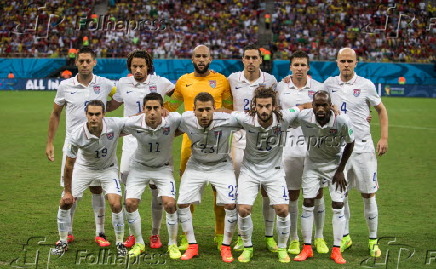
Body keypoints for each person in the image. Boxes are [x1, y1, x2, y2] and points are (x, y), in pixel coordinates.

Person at [166, 44, 233, 250]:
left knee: (219, 191)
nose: (201, 59)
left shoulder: (222, 80)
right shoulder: (183, 81)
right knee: (188, 191)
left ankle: (220, 233)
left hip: (218, 141)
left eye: (205, 56)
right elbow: (169, 107)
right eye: (198, 56)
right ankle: (188, 236)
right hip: (190, 142)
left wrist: (213, 113)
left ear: (210, 58)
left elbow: (230, 108)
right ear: (192, 59)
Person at [46, 47, 115, 248]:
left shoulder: (104, 84)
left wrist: (107, 108)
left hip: (98, 145)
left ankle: (100, 232)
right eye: (81, 61)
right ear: (76, 62)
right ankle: (66, 232)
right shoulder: (66, 86)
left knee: (97, 188)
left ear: (95, 62)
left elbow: (119, 98)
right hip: (73, 146)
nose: (84, 64)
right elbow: (55, 113)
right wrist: (50, 142)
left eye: (88, 61)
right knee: (70, 192)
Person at [107, 50, 175, 249]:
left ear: (148, 67)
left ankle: (155, 233)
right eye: (134, 66)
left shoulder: (160, 82)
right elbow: (112, 105)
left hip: (155, 139)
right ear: (130, 67)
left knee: (156, 187)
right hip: (131, 139)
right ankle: (132, 234)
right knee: (128, 182)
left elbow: (177, 96)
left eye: (141, 66)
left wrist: (167, 109)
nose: (137, 70)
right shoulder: (122, 83)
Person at [324, 48, 388, 258]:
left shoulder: (366, 85)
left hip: (362, 148)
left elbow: (381, 109)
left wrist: (384, 137)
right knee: (341, 196)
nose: (346, 64)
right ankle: (345, 238)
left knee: (369, 195)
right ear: (337, 62)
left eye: (350, 61)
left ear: (356, 63)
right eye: (342, 61)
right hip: (338, 149)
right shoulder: (329, 84)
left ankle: (372, 241)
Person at [231, 86, 303, 263]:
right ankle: (248, 247)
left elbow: (304, 107)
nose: (264, 110)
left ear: (274, 106)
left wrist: (332, 108)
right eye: (260, 106)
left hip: (274, 171)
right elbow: (223, 114)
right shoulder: (245, 118)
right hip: (250, 170)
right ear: (254, 105)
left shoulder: (284, 117)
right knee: (243, 209)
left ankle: (283, 248)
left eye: (268, 106)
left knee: (283, 209)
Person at [51, 100, 126, 256]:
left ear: (103, 114)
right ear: (86, 114)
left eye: (97, 114)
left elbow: (136, 120)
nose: (93, 117)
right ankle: (63, 241)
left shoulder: (114, 124)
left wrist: (161, 112)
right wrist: (67, 191)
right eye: (90, 114)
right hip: (83, 169)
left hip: (108, 169)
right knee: (65, 203)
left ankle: (120, 243)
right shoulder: (77, 133)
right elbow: (69, 166)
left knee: (116, 203)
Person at [176, 92, 240, 263]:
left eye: (208, 110)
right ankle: (192, 245)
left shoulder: (228, 119)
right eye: (200, 110)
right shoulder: (184, 119)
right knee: (182, 203)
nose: (204, 114)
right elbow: (163, 120)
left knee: (231, 205)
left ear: (214, 109)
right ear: (193, 110)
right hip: (195, 165)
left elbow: (250, 119)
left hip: (222, 165)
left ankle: (226, 246)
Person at [227, 44, 279, 252]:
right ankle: (242, 237)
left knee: (267, 190)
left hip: (266, 141)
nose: (250, 61)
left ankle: (269, 236)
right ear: (243, 59)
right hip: (239, 141)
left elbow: (279, 106)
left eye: (254, 58)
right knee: (241, 192)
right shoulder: (232, 79)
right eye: (247, 57)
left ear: (260, 60)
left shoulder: (271, 81)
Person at [293, 91, 354, 264]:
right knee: (308, 203)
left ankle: (336, 250)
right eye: (317, 104)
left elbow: (351, 143)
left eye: (324, 105)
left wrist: (341, 169)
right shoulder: (304, 117)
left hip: (335, 165)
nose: (320, 108)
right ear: (312, 105)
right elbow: (287, 120)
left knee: (338, 204)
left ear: (330, 105)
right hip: (312, 164)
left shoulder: (342, 121)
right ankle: (307, 247)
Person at [277, 50, 328, 255]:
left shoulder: (318, 88)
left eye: (302, 65)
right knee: (292, 194)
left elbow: (328, 111)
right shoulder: (281, 86)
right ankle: (294, 239)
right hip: (288, 146)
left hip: (314, 145)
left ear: (308, 67)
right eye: (296, 65)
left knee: (317, 193)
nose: (299, 68)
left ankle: (319, 237)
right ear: (290, 67)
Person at [121, 93, 181, 259]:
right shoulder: (134, 122)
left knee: (169, 204)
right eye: (149, 108)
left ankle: (172, 244)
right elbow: (112, 126)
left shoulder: (174, 119)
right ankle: (139, 242)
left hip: (163, 169)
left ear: (163, 109)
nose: (152, 112)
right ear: (143, 110)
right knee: (130, 203)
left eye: (156, 108)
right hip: (139, 168)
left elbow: (192, 121)